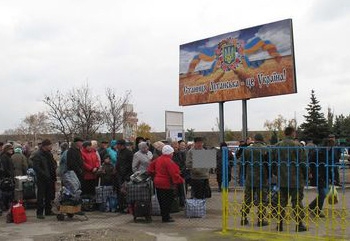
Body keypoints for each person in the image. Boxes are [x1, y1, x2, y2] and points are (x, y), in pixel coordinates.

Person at [273, 127, 307, 232]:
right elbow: (303, 163)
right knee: (296, 202)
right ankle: (299, 224)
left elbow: (272, 161)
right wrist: (306, 175)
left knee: (281, 202)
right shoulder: (297, 145)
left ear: (284, 133)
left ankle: (279, 224)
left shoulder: (277, 145)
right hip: (295, 179)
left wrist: (276, 173)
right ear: (292, 133)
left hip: (282, 179)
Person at [147, 145, 184, 222]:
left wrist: (155, 175)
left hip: (157, 182)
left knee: (161, 200)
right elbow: (174, 173)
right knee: (168, 201)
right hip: (167, 184)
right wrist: (180, 180)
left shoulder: (158, 159)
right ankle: (166, 217)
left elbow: (150, 168)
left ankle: (164, 215)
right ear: (170, 153)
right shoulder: (169, 161)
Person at [240, 134, 269, 227]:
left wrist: (245, 174)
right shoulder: (266, 149)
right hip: (262, 178)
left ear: (255, 140)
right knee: (262, 199)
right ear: (262, 139)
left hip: (250, 177)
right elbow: (269, 164)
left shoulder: (247, 149)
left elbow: (242, 162)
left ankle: (243, 218)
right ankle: (261, 220)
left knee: (248, 198)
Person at [32, 139, 57, 219]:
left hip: (50, 177)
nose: (51, 146)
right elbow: (36, 167)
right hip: (42, 179)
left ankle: (48, 210)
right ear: (45, 146)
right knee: (41, 195)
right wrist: (44, 174)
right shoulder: (38, 155)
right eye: (50, 145)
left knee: (49, 195)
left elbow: (53, 163)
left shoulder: (49, 154)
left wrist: (54, 168)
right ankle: (39, 212)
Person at [308, 139, 329, 218]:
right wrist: (310, 173)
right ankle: (316, 210)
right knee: (322, 194)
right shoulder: (317, 152)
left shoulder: (328, 152)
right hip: (318, 175)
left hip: (324, 175)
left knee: (324, 193)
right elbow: (310, 162)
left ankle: (311, 206)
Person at [115, 139, 134, 213]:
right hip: (119, 175)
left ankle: (126, 207)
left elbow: (131, 165)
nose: (116, 146)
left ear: (122, 145)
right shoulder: (119, 152)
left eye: (118, 144)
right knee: (119, 191)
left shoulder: (129, 153)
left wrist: (128, 175)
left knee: (125, 192)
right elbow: (118, 162)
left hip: (126, 175)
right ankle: (121, 207)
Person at [0, 143, 15, 211]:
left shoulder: (8, 156)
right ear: (6, 149)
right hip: (6, 178)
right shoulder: (4, 157)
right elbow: (5, 168)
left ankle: (7, 206)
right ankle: (5, 206)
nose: (12, 150)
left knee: (9, 193)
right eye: (10, 149)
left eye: (12, 148)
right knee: (5, 193)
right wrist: (9, 175)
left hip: (9, 177)